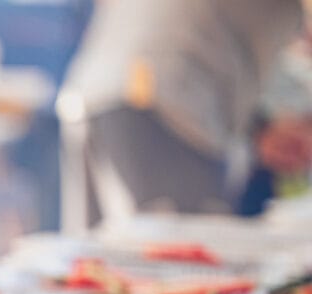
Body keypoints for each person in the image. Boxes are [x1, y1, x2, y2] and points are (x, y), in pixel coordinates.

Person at [58, 0, 304, 230]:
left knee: (107, 252)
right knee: (178, 247)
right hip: (165, 97)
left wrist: (261, 126)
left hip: (97, 89)